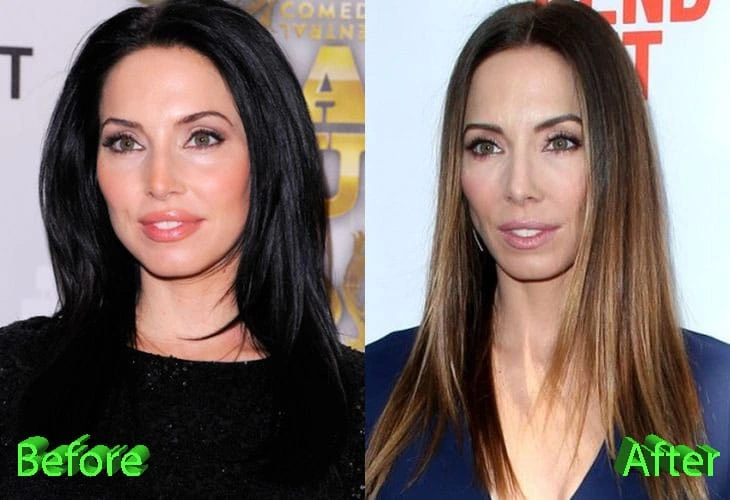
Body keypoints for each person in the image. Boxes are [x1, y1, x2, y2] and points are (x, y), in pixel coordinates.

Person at [365, 1, 729, 499]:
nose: (520, 186)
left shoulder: (716, 399)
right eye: (486, 146)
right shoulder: (379, 388)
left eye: (560, 142)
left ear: (615, 157)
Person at [0, 0, 363, 497]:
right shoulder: (14, 375)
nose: (159, 181)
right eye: (125, 142)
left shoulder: (362, 410)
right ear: (89, 168)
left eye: (202, 137)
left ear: (268, 154)